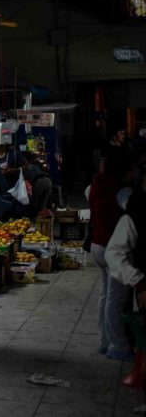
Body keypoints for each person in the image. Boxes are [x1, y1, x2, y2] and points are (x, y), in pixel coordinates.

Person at [91, 148, 136, 360]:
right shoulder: (122, 191)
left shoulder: (96, 185)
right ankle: (117, 345)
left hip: (97, 245)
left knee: (105, 295)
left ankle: (104, 341)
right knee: (115, 299)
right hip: (112, 248)